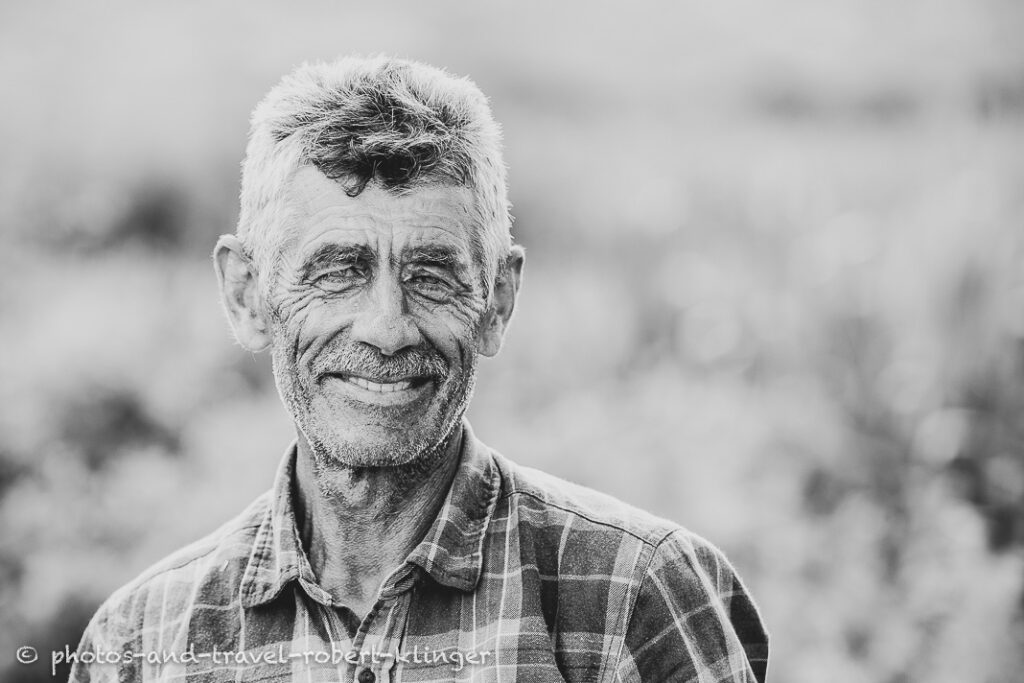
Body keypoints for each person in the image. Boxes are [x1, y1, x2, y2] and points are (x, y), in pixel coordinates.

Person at [70, 55, 769, 683]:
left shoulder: (634, 599)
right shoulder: (141, 641)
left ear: (497, 301)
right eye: (339, 272)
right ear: (247, 295)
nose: (386, 327)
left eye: (431, 275)